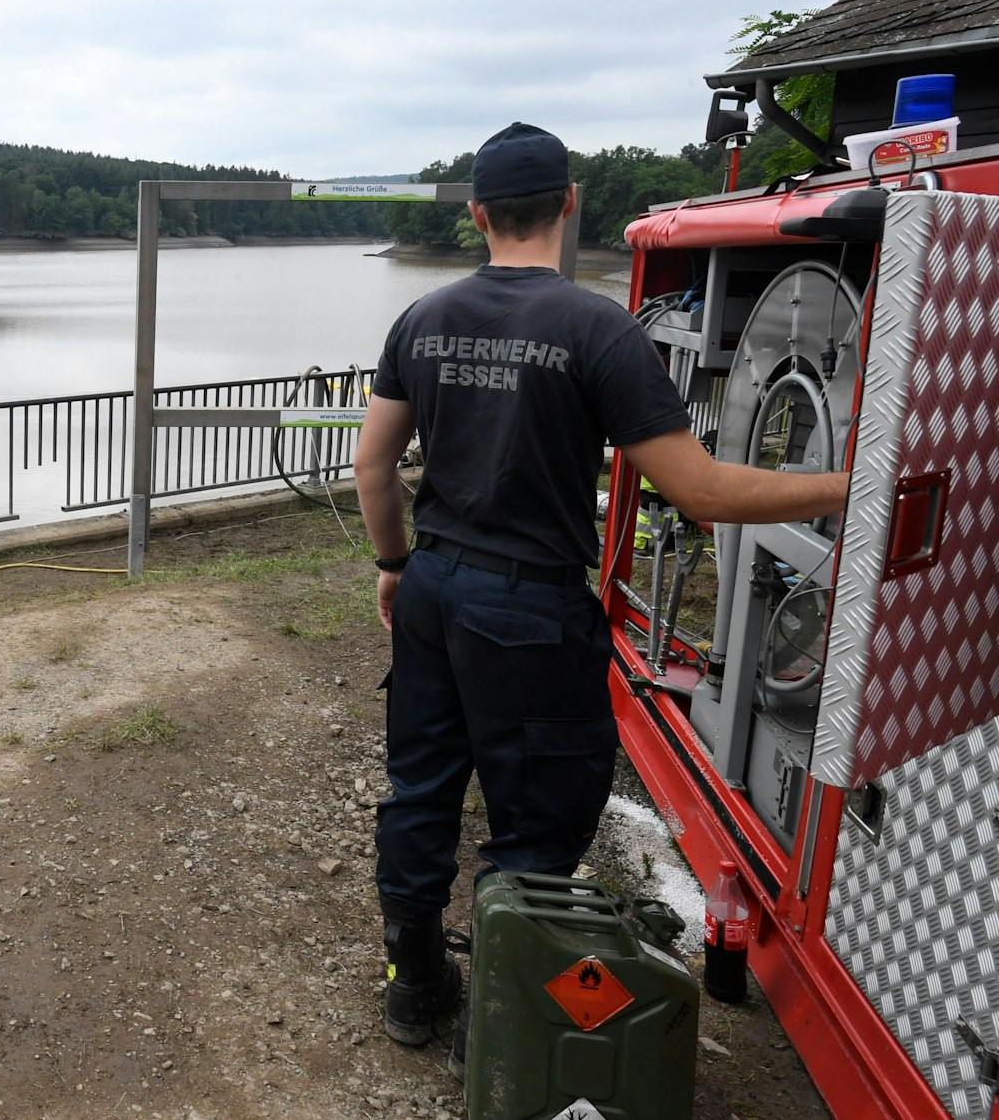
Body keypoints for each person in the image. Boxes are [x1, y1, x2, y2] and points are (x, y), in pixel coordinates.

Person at [352, 122, 849, 1049]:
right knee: (539, 816)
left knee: (420, 787)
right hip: (529, 609)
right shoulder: (599, 328)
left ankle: (412, 984)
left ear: (477, 215)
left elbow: (372, 467)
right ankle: (503, 1017)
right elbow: (701, 490)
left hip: (433, 588)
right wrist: (845, 485)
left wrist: (394, 565)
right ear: (570, 204)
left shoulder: (422, 318)